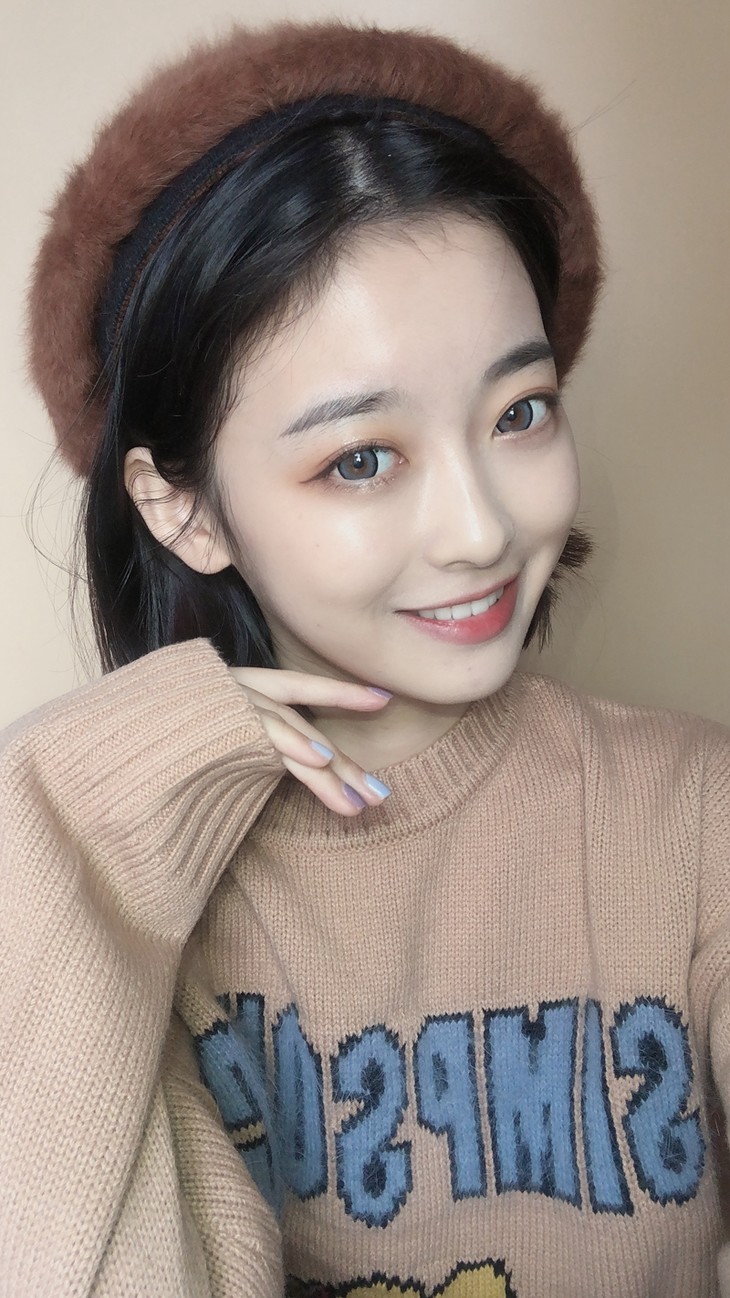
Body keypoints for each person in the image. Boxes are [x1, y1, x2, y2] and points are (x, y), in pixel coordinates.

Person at [1, 17, 728, 1298]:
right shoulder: (102, 892)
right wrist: (69, 801)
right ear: (183, 509)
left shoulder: (692, 822)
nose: (479, 528)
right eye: (360, 458)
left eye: (519, 410)